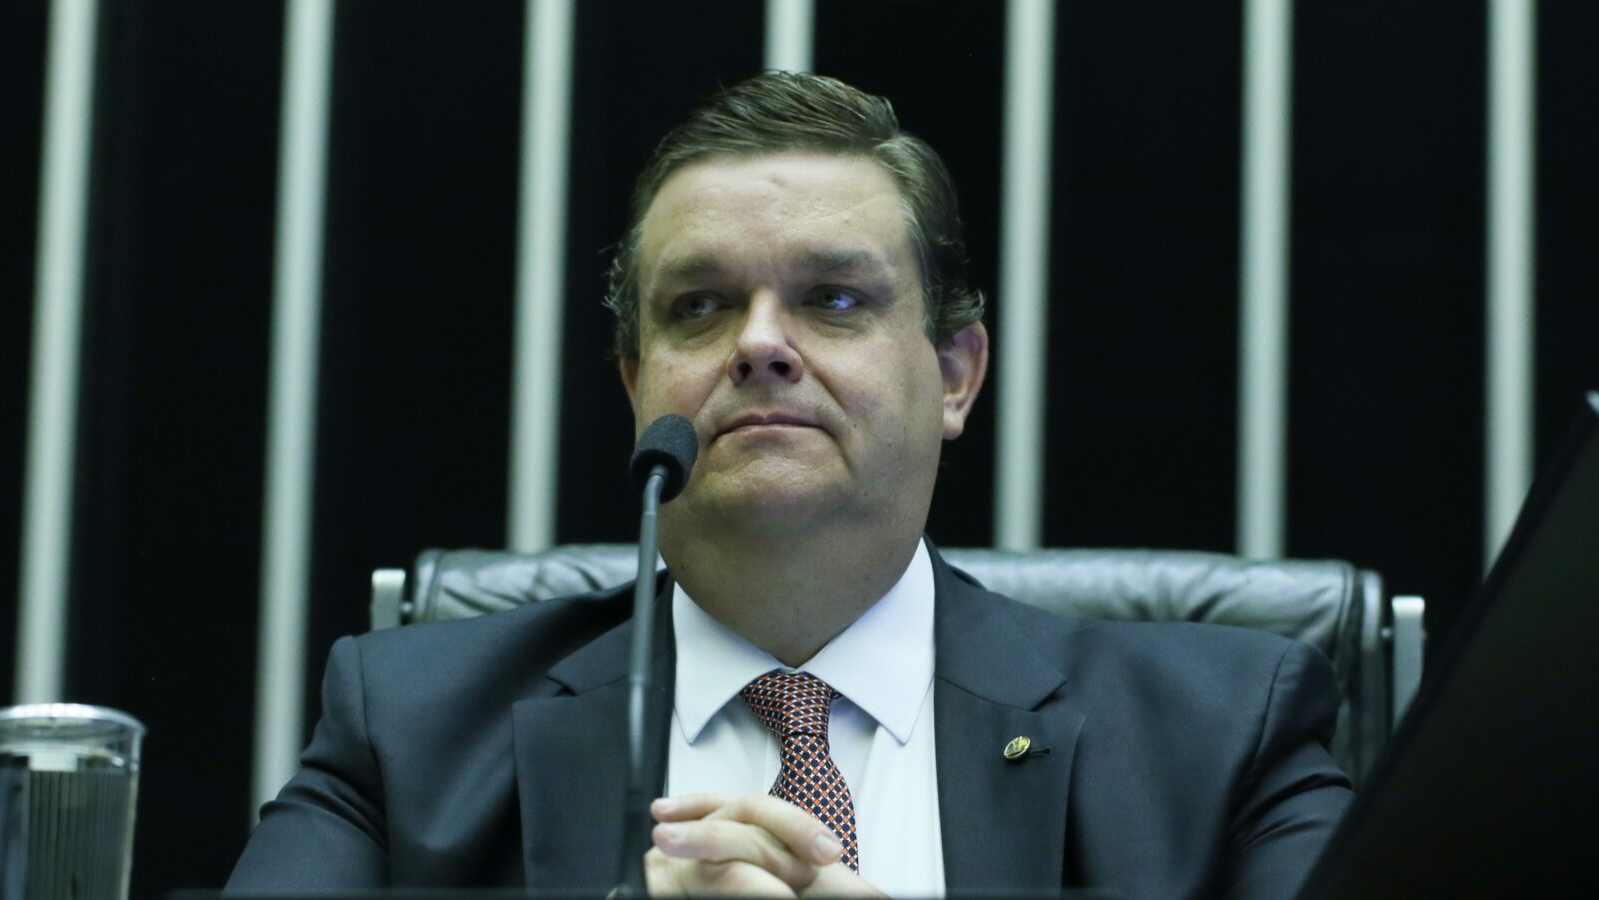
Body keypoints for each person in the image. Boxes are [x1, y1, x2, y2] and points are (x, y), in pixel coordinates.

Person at [227, 72, 1351, 897]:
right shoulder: (409, 730)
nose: (760, 344)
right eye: (700, 306)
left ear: (955, 376)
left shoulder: (1219, 739)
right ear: (637, 385)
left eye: (834, 299)